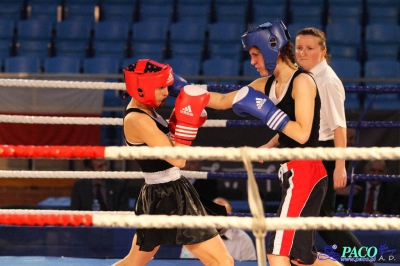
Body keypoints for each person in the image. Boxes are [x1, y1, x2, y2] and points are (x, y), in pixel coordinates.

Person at [170, 20, 340, 266]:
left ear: (271, 48)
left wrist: (267, 112)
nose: (252, 62)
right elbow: (223, 100)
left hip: (307, 171)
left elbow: (303, 133)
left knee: (277, 253)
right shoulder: (267, 84)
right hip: (295, 172)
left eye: (255, 55)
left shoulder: (303, 81)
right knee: (302, 259)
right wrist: (182, 90)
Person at [112, 59, 233, 266]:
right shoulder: (138, 119)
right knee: (223, 262)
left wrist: (182, 118)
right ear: (141, 88)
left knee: (133, 262)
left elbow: (168, 145)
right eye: (160, 87)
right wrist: (187, 124)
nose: (166, 92)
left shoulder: (147, 110)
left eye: (166, 86)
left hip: (168, 190)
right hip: (166, 193)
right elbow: (178, 159)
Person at [295, 27, 374, 266]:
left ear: (323, 51)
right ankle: (302, 259)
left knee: (321, 218)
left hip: (323, 153)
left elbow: (340, 127)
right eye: (299, 47)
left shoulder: (327, 80)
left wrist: (340, 166)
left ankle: (364, 264)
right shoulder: (306, 77)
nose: (303, 53)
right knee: (308, 215)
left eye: (310, 48)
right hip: (309, 151)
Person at [180, 197, 257, 261]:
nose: (218, 220)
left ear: (231, 217)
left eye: (223, 215)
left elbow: (250, 264)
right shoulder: (193, 237)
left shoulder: (243, 239)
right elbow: (186, 263)